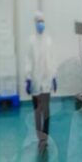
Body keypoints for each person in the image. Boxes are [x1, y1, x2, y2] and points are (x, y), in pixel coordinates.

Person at [25, 11, 56, 154]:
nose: (41, 24)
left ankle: (45, 137)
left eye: (42, 21)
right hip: (36, 83)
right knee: (38, 112)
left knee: (46, 111)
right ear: (35, 23)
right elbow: (28, 61)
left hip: (46, 82)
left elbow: (52, 60)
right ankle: (40, 138)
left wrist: (54, 77)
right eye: (38, 21)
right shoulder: (31, 41)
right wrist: (28, 78)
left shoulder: (48, 41)